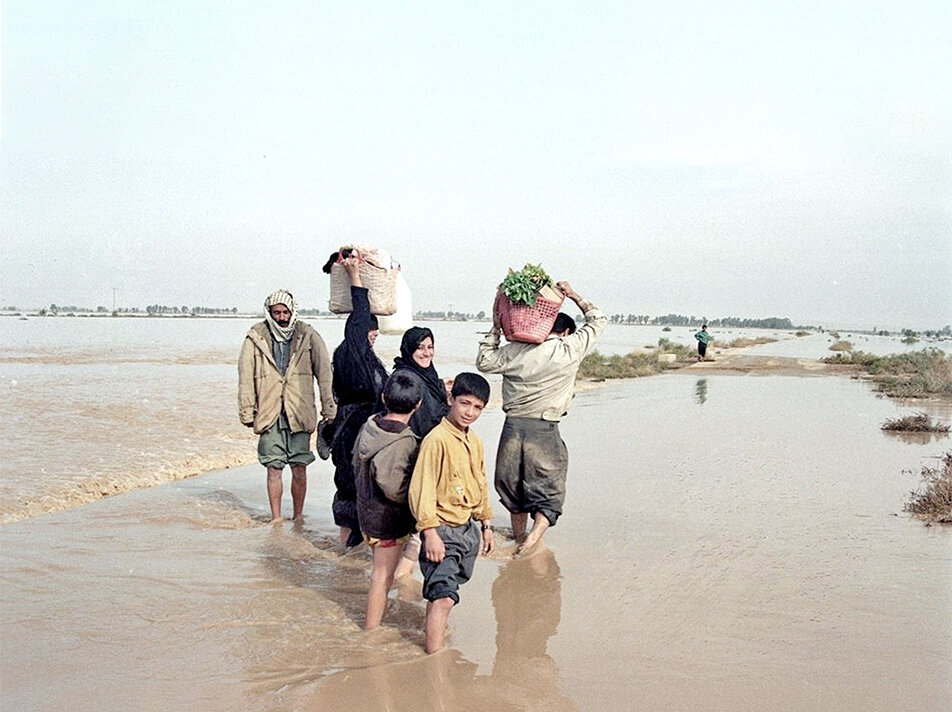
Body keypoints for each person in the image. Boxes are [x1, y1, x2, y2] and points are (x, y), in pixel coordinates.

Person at [476, 281, 606, 554]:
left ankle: (518, 536)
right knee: (549, 487)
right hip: (545, 430)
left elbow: (484, 361)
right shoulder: (568, 349)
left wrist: (496, 329)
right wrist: (572, 295)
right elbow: (598, 320)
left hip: (512, 429)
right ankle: (534, 538)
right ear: (566, 331)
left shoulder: (516, 350)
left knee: (512, 489)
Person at [408, 372, 495, 653]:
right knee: (444, 597)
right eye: (464, 403)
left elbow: (480, 482)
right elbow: (421, 489)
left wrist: (487, 524)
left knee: (444, 593)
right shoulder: (437, 440)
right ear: (450, 399)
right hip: (442, 529)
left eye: (478, 407)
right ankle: (433, 662)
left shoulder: (475, 442)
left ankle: (433, 638)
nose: (470, 412)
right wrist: (429, 533)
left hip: (467, 528)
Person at [238, 289, 336, 522]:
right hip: (270, 413)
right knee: (274, 467)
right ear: (269, 312)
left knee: (299, 467)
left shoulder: (308, 335)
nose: (281, 317)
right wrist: (247, 410)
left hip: (299, 412)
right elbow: (245, 376)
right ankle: (276, 518)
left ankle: (298, 516)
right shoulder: (256, 337)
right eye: (276, 312)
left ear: (292, 312)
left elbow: (324, 373)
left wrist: (329, 408)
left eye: (285, 312)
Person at [353, 371, 422, 630]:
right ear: (418, 405)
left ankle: (375, 620)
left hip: (366, 514)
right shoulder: (403, 442)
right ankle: (371, 630)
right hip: (387, 521)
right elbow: (394, 488)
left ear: (384, 397)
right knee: (382, 577)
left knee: (380, 572)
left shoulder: (369, 426)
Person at [329, 255, 389, 547]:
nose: (373, 336)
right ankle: (347, 550)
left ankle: (352, 552)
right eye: (369, 330)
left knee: (360, 489)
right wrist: (355, 275)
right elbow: (361, 313)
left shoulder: (368, 358)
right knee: (352, 489)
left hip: (359, 429)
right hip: (351, 430)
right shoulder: (351, 350)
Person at [390, 326, 452, 579]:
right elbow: (425, 420)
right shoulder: (408, 378)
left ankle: (397, 577)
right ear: (409, 349)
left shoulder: (424, 376)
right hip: (416, 457)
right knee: (420, 523)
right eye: (420, 348)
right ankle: (400, 580)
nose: (426, 353)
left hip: (422, 454)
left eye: (430, 347)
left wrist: (442, 389)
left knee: (415, 524)